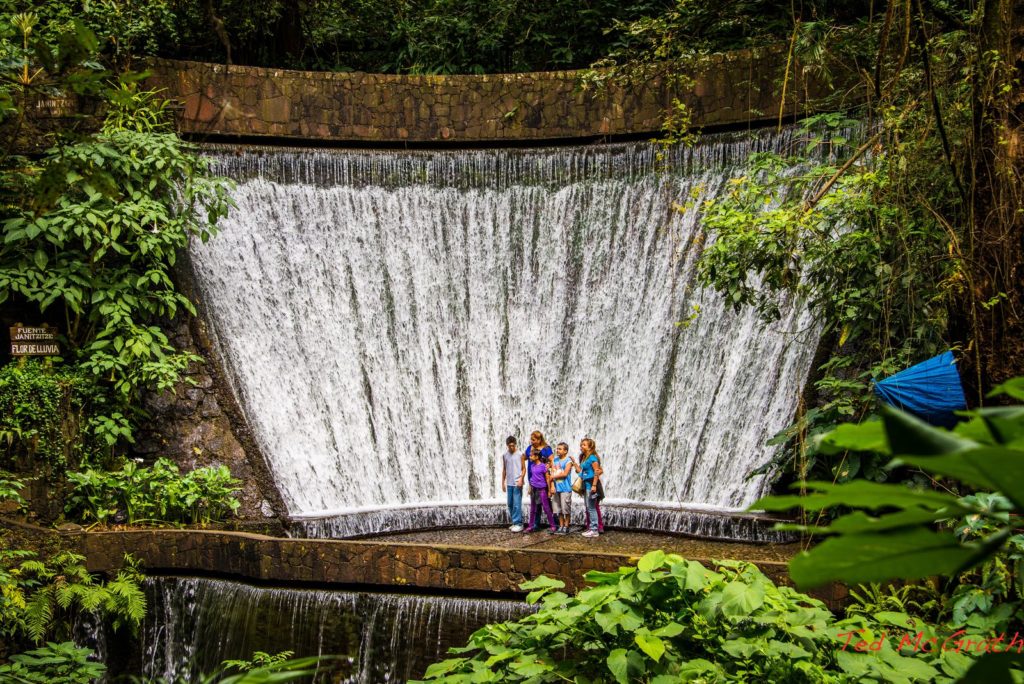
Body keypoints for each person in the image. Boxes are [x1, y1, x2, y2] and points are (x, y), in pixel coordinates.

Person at [526, 446, 557, 533]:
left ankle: (553, 526)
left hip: (542, 490)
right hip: (534, 490)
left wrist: (549, 490)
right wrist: (530, 487)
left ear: (536, 457)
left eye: (531, 456)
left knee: (547, 508)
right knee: (532, 509)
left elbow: (547, 478)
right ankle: (530, 526)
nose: (529, 457)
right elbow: (532, 478)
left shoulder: (543, 466)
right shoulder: (532, 466)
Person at [579, 437, 603, 538]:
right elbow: (583, 471)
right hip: (586, 485)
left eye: (584, 445)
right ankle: (591, 528)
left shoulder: (593, 458)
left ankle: (594, 530)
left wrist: (594, 485)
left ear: (589, 447)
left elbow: (597, 472)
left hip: (591, 485)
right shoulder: (586, 457)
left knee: (592, 508)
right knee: (589, 507)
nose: (581, 446)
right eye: (581, 444)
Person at [550, 442, 577, 534]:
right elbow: (552, 472)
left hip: (565, 488)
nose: (558, 450)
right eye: (557, 448)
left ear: (565, 451)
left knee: (566, 509)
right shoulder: (555, 460)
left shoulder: (568, 461)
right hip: (557, 489)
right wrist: (552, 486)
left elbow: (565, 474)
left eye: (560, 449)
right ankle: (561, 526)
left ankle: (566, 526)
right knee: (558, 509)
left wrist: (553, 477)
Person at [500, 435, 525, 532]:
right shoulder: (505, 455)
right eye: (509, 446)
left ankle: (519, 523)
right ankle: (514, 522)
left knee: (517, 504)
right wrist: (503, 483)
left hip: (517, 482)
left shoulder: (520, 454)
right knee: (510, 504)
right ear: (507, 445)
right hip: (509, 483)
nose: (511, 447)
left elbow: (524, 469)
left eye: (513, 445)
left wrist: (521, 479)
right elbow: (504, 470)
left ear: (515, 444)